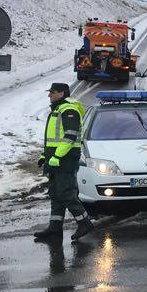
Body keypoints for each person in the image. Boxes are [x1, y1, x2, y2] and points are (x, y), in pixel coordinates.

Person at [34, 83, 94, 242]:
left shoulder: (69, 110)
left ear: (62, 93)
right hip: (55, 159)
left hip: (65, 160)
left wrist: (58, 157)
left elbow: (70, 136)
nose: (49, 95)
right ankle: (54, 227)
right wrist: (44, 156)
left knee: (66, 193)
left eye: (52, 93)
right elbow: (52, 140)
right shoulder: (57, 109)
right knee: (55, 194)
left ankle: (84, 222)